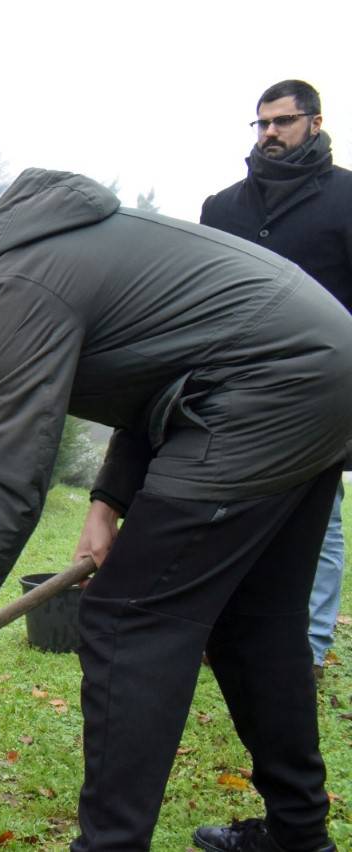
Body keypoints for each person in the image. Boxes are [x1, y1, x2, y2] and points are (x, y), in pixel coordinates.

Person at [0, 168, 351, 852]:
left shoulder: (8, 284)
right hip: (316, 368)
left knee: (125, 620)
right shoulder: (27, 256)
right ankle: (299, 836)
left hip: (265, 386)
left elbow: (12, 479)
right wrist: (109, 501)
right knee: (254, 621)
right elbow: (154, 371)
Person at [200, 79, 352, 687]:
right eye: (261, 124)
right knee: (225, 506)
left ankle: (309, 650)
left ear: (314, 124)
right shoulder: (224, 208)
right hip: (237, 384)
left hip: (324, 386)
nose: (269, 134)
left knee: (321, 518)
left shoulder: (347, 199)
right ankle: (224, 630)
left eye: (283, 122)